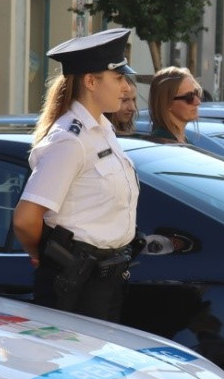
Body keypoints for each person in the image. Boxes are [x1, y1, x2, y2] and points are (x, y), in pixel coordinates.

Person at [13, 27, 142, 322]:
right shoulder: (70, 140)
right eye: (118, 78)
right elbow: (25, 219)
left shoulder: (102, 130)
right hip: (75, 283)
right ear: (90, 81)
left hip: (105, 279)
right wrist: (45, 255)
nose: (128, 88)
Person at [148, 66, 201, 143]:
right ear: (166, 103)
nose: (198, 102)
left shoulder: (185, 142)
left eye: (197, 93)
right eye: (189, 97)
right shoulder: (161, 143)